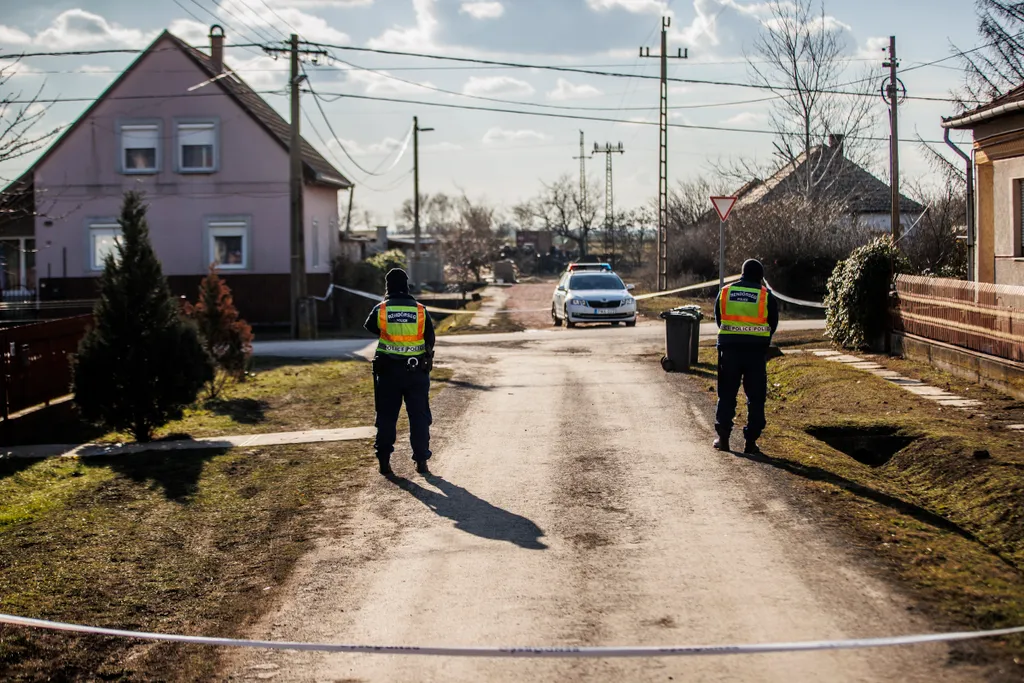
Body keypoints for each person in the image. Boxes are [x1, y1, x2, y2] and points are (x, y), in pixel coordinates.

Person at [364, 268, 436, 477]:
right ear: (407, 286)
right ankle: (421, 461)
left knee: (386, 417)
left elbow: (370, 327)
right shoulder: (421, 310)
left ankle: (384, 462)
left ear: (388, 287)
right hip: (416, 373)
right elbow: (430, 339)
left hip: (388, 373)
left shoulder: (382, 309)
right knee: (419, 417)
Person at [713, 258, 779, 455]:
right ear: (760, 277)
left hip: (729, 352)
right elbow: (772, 324)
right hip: (756, 354)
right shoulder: (766, 296)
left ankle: (723, 439)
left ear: (742, 273)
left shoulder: (725, 292)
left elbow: (719, 319)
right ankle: (751, 442)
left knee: (726, 395)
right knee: (756, 398)